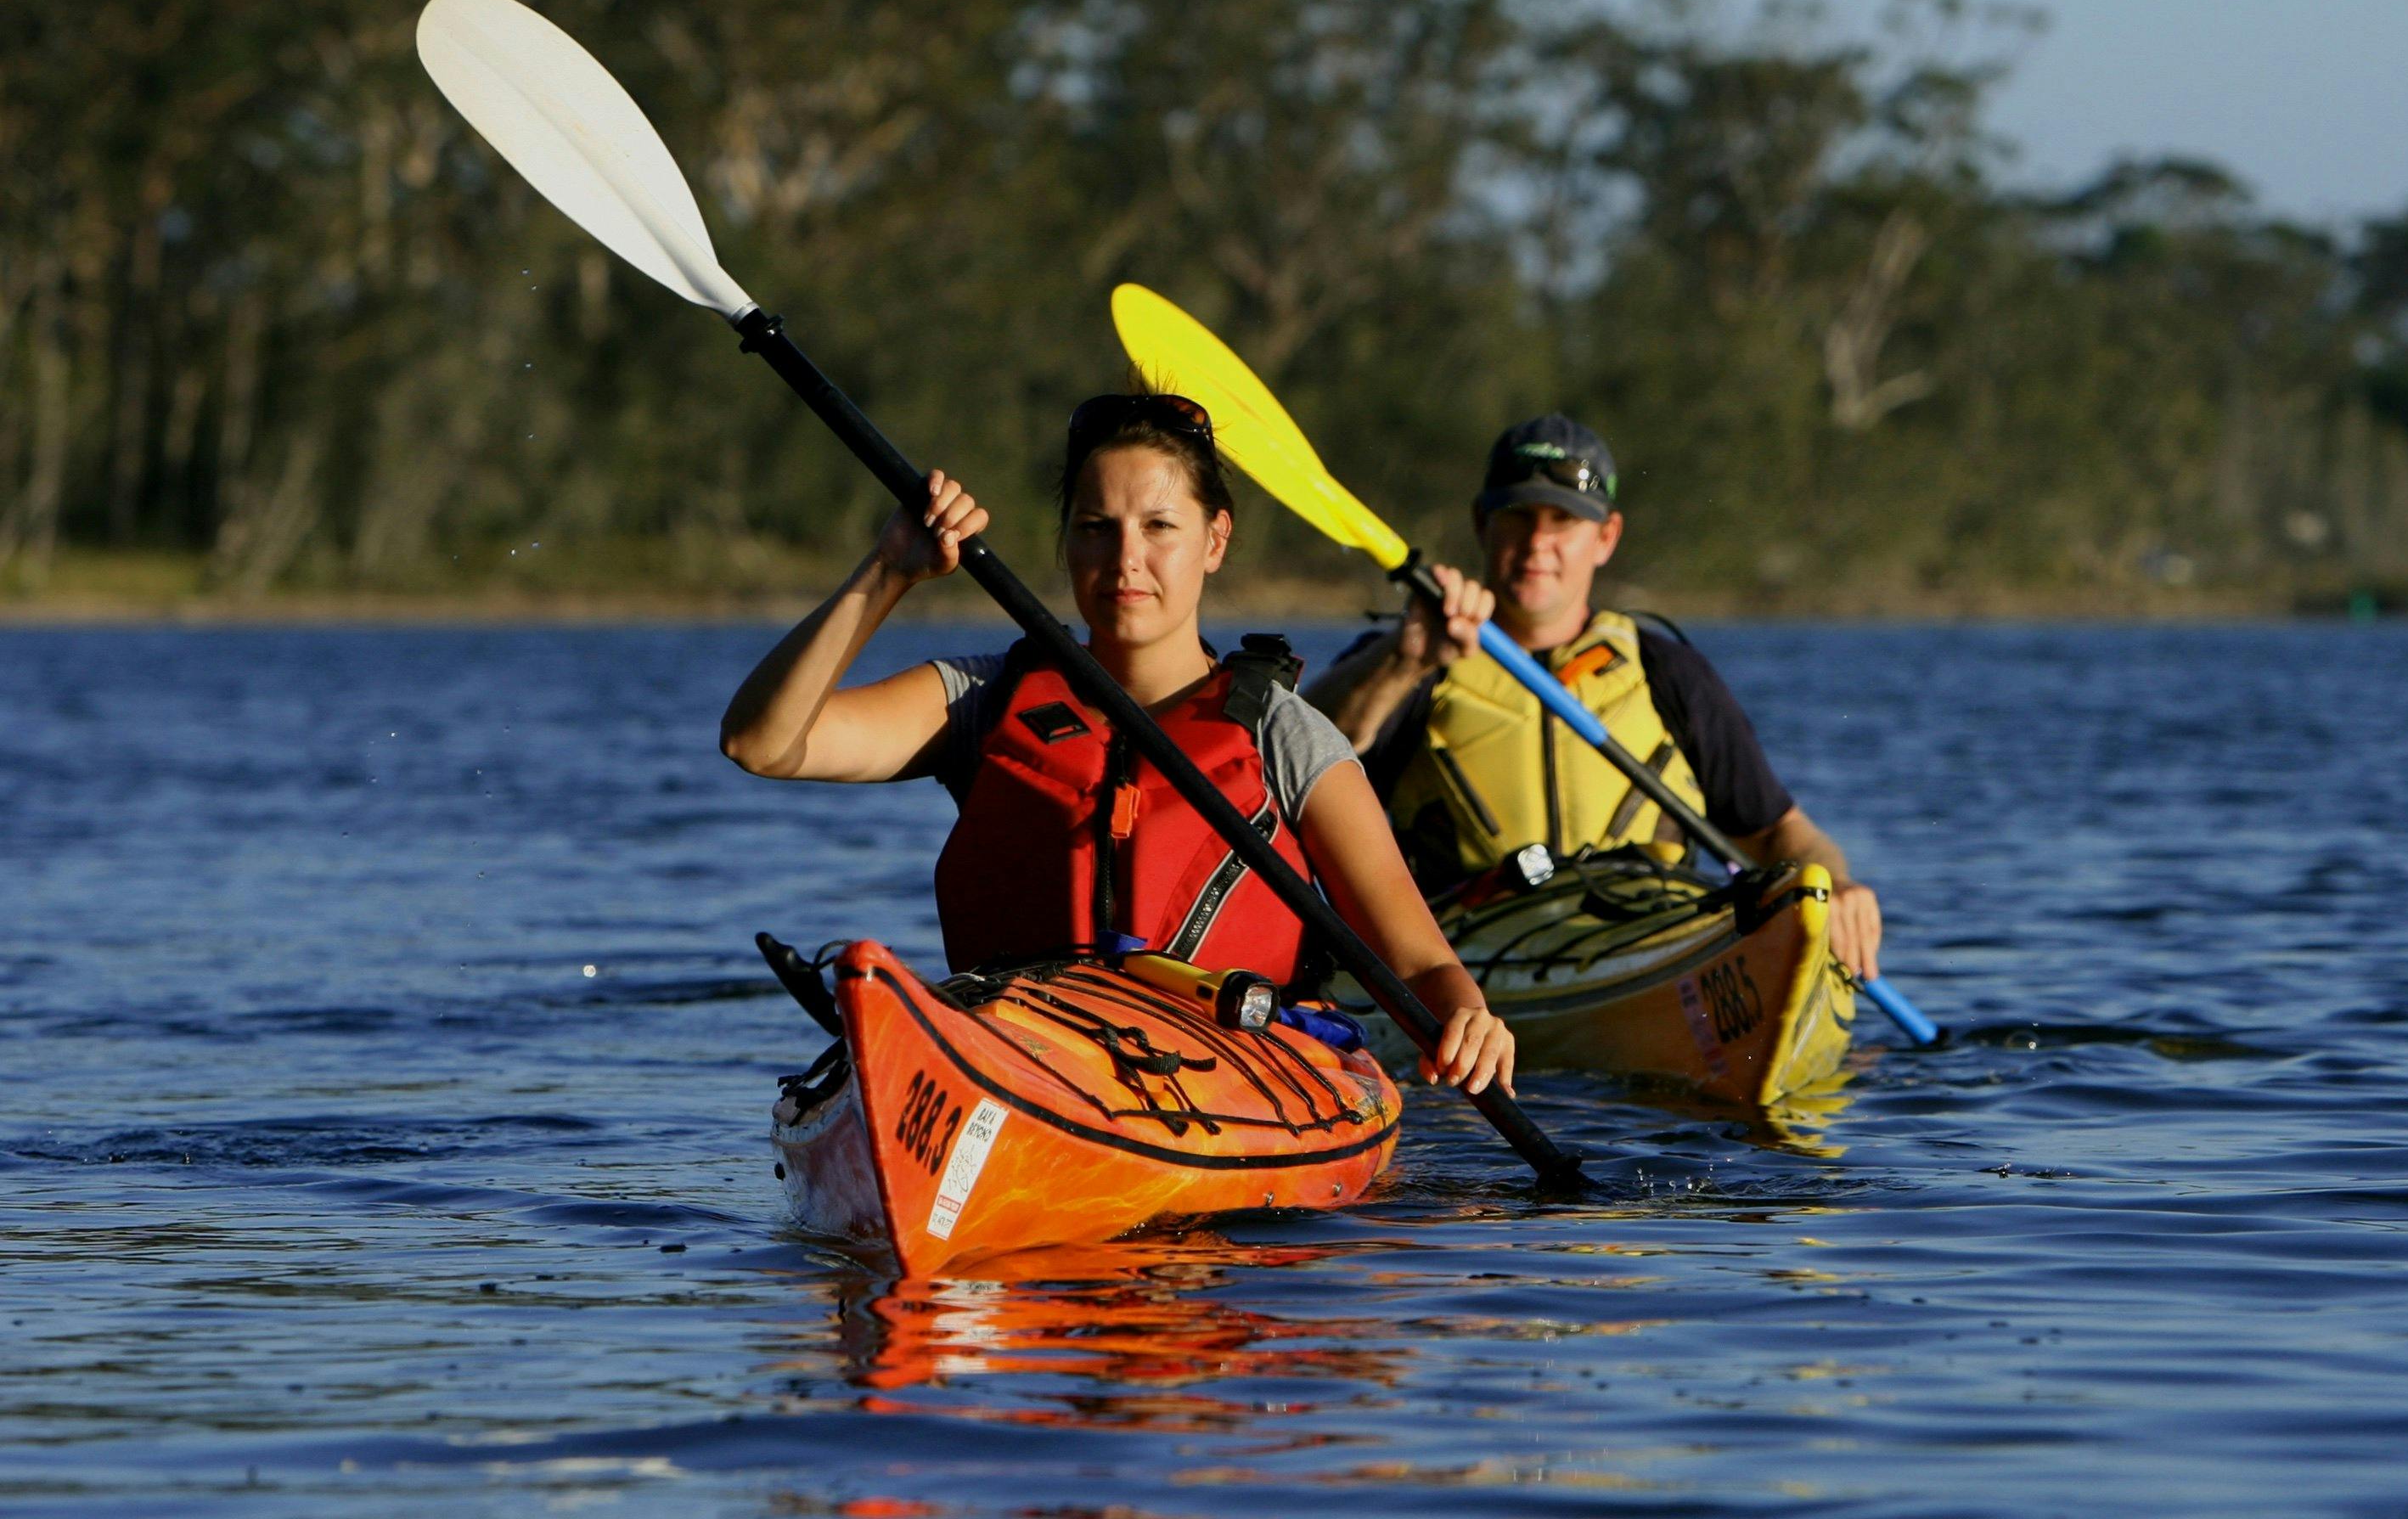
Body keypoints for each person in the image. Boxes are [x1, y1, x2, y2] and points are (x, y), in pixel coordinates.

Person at [717, 391, 1517, 1095]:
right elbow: (762, 742)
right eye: (1096, 528)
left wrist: (1468, 1018)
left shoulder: (1284, 734)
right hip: (1023, 1065)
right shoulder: (984, 700)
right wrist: (889, 569)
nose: (1125, 558)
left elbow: (1417, 963)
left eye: (1160, 526)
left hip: (1226, 1083)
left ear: (1216, 539)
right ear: (1065, 541)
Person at [1304, 414, 1885, 983]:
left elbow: (1780, 833)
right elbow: (1289, 768)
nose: (1538, 542)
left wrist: (1832, 885)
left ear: (1606, 537)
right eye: (1519, 516)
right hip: (1472, 956)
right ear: (1483, 523)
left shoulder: (1667, 672)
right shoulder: (1408, 660)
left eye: (1563, 521)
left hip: (1651, 941)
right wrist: (1404, 661)